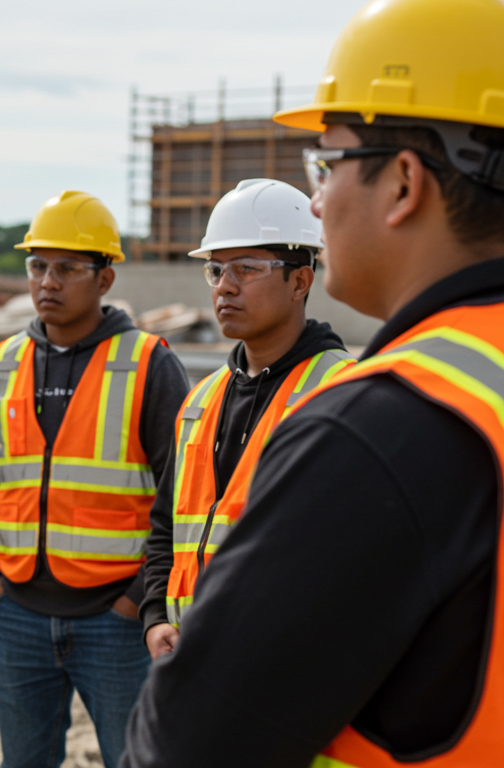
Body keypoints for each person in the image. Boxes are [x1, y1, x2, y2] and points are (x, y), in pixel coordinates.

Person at [123, 0, 504, 765]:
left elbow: (190, 743)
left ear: (403, 183)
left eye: (326, 166)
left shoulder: (385, 426)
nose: (320, 200)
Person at [0, 191, 189, 768]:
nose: (48, 282)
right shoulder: (2, 363)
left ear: (105, 277)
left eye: (67, 268)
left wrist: (139, 601)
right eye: (38, 266)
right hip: (18, 615)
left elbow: (184, 495)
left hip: (116, 622)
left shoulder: (148, 363)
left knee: (137, 760)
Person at [140, 179, 353, 658]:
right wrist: (155, 616)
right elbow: (165, 528)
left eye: (246, 268)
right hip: (187, 656)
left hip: (280, 666)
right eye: (215, 270)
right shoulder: (201, 399)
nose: (225, 286)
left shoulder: (342, 392)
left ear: (300, 280)